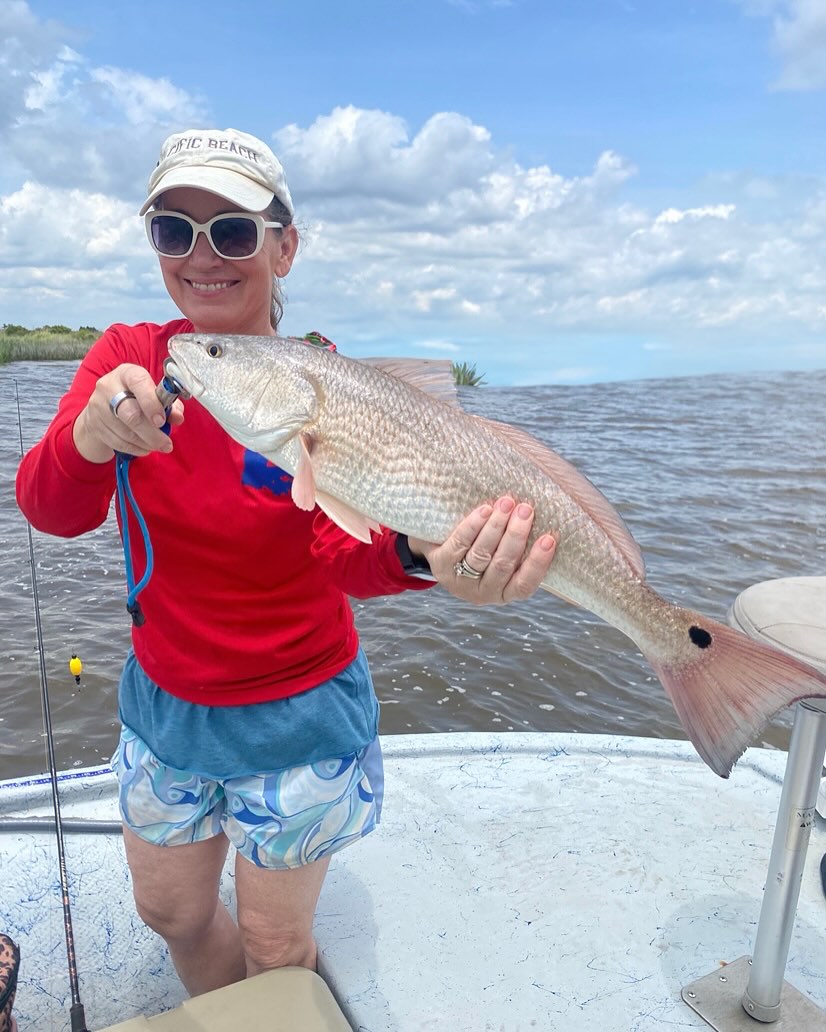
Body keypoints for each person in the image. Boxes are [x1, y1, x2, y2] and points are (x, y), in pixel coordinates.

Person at [15, 127, 557, 996]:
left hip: (300, 714)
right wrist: (88, 435)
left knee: (275, 940)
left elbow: (348, 556)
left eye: (231, 230)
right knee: (172, 913)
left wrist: (429, 556)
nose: (202, 257)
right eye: (172, 230)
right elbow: (50, 508)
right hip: (167, 708)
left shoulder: (328, 386)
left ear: (285, 245)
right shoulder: (129, 360)